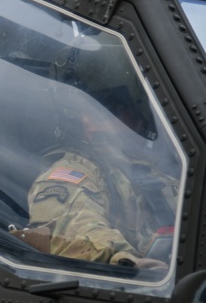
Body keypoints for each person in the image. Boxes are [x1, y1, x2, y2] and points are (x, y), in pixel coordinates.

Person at [26, 41, 179, 269]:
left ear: (138, 112)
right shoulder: (73, 173)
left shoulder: (169, 167)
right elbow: (74, 228)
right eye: (82, 114)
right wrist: (131, 264)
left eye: (106, 112)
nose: (91, 126)